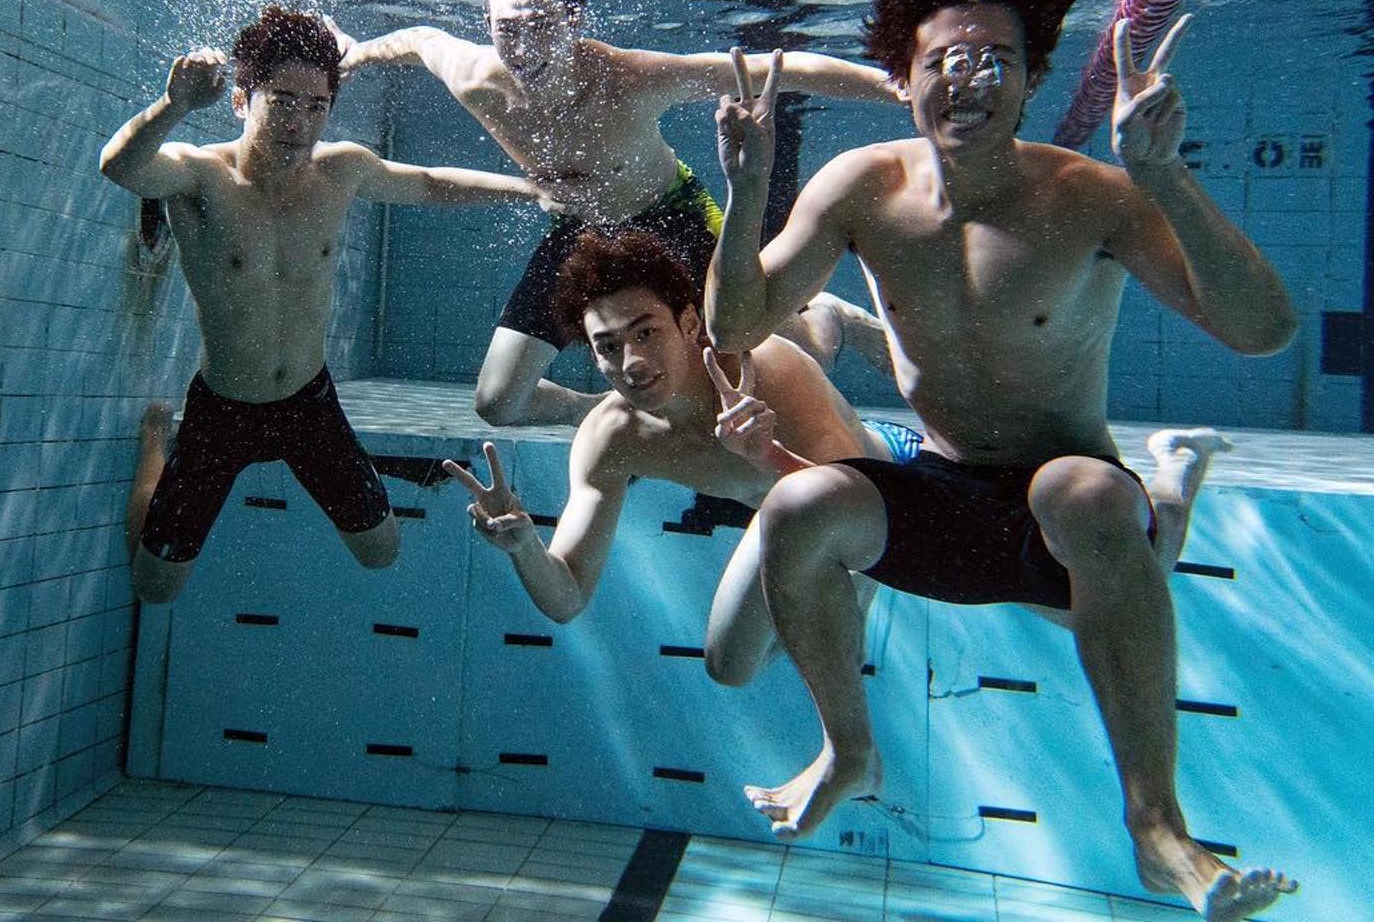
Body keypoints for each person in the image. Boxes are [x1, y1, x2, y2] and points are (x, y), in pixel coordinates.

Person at [705, 0, 1298, 919]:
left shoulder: (1092, 196)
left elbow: (1265, 331)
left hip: (1065, 517)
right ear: (904, 79)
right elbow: (733, 326)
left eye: (996, 61)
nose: (968, 78)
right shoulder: (864, 189)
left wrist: (1164, 175)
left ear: (1030, 84)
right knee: (798, 507)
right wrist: (747, 186)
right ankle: (848, 752)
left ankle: (1158, 826)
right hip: (943, 497)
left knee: (1083, 493)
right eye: (944, 59)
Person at [442, 229, 1231, 690]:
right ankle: (830, 322)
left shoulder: (767, 371)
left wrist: (768, 459)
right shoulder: (610, 438)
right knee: (729, 667)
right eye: (607, 347)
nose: (631, 362)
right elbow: (566, 596)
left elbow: (855, 503)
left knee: (1101, 601)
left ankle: (1175, 471)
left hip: (881, 479)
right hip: (785, 506)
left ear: (689, 322)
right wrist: (523, 546)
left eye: (645, 332)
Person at [335, 0, 900, 426]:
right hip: (581, 230)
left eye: (543, 26)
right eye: (508, 28)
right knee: (498, 402)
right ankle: (599, 411)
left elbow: (784, 68)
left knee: (793, 355)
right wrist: (358, 54)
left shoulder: (627, 78)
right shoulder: (472, 75)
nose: (524, 48)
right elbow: (418, 41)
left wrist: (900, 86)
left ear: (574, 21)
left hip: (671, 217)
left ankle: (828, 315)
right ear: (488, 24)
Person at [99, 6, 552, 603]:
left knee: (382, 552)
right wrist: (174, 104)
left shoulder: (341, 171)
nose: (300, 121)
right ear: (241, 100)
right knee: (154, 589)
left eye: (317, 106)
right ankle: (156, 443)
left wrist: (530, 188)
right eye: (283, 100)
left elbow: (428, 184)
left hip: (307, 403)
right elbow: (121, 166)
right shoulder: (200, 174)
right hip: (222, 408)